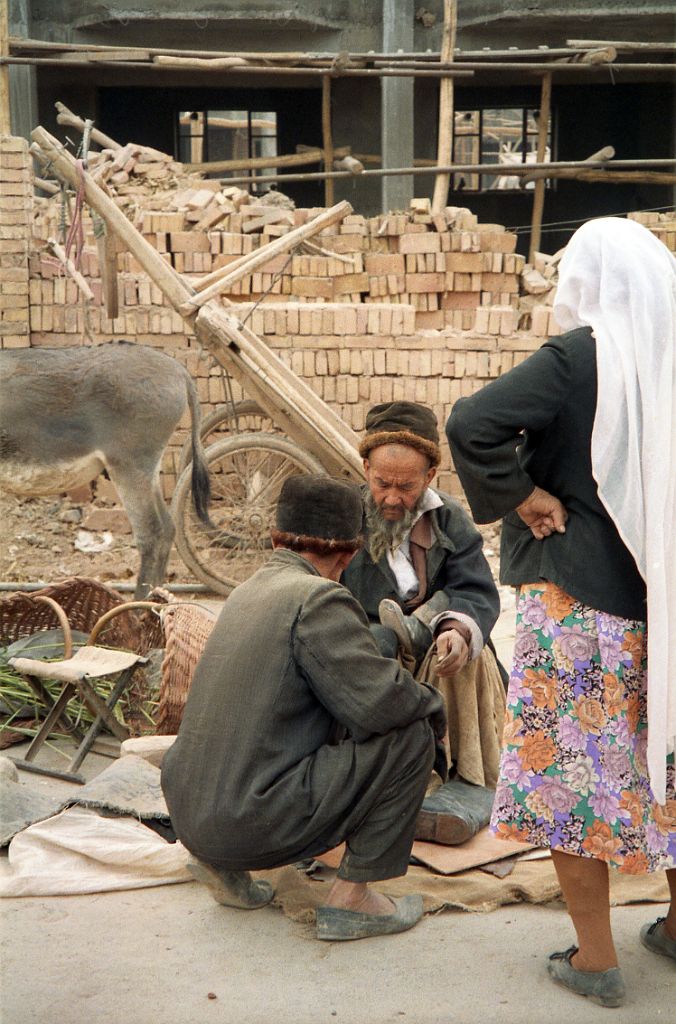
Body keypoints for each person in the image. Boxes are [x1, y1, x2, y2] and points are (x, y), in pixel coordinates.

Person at [446, 217, 675, 1007]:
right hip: (667, 601)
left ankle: (596, 959)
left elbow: (472, 422)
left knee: (574, 776)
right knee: (666, 762)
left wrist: (524, 494)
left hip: (580, 604)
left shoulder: (582, 355)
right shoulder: (670, 355)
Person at [161, 475, 447, 942]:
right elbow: (379, 704)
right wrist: (433, 708)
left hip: (189, 816)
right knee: (411, 734)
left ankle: (222, 868)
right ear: (348, 556)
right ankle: (353, 899)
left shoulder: (244, 591)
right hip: (250, 818)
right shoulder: (319, 598)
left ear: (276, 539)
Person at [341, 401, 506, 804]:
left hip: (435, 656)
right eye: (382, 483)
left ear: (430, 476)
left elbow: (477, 591)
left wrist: (457, 630)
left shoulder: (450, 520)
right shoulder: (344, 516)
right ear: (366, 470)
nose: (392, 498)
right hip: (369, 657)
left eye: (407, 487)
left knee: (468, 654)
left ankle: (463, 785)